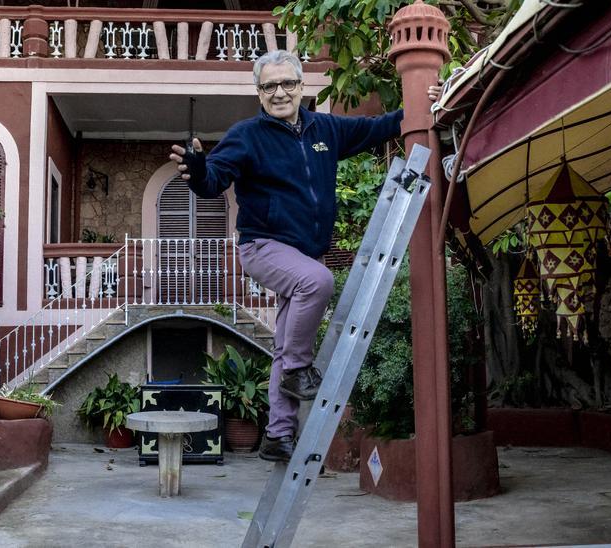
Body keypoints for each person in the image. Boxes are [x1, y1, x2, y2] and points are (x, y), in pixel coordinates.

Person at [169, 50, 439, 462]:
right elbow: (212, 179)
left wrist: (426, 104)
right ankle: (298, 371)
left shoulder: (324, 129)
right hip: (262, 247)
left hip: (303, 253)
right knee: (318, 282)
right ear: (258, 93)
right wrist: (197, 168)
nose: (279, 93)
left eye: (287, 84)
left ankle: (278, 435)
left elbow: (379, 126)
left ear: (300, 86)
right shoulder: (247, 135)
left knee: (285, 342)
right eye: (269, 86)